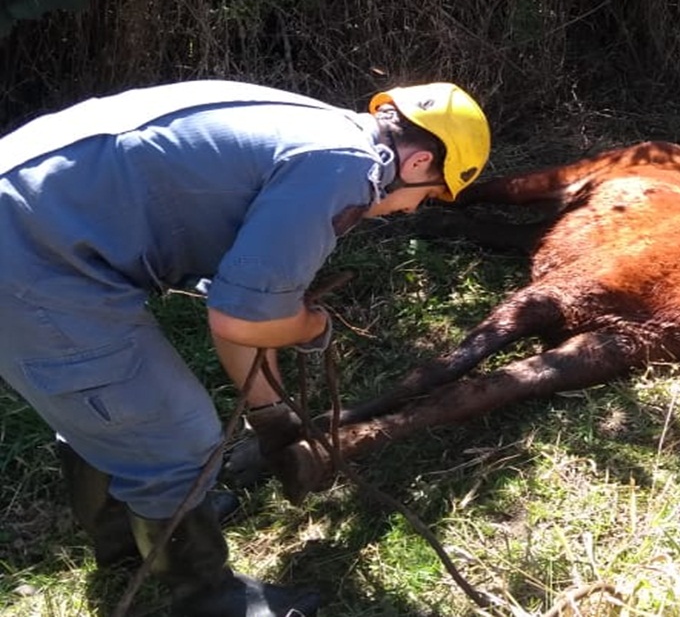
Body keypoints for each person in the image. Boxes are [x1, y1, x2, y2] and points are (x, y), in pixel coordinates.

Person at [0, 79, 491, 616]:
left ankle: (133, 536)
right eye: (431, 194)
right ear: (419, 162)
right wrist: (308, 327)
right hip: (29, 259)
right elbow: (243, 318)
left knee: (109, 414)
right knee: (172, 434)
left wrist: (269, 411)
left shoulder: (319, 130)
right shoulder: (341, 168)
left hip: (32, 225)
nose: (414, 210)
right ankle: (209, 598)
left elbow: (240, 306)